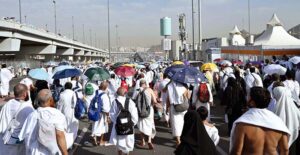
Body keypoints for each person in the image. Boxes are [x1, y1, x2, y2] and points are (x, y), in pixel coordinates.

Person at [230, 87, 290, 155]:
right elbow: (285, 149)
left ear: (252, 102)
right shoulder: (278, 123)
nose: (247, 97)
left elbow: (237, 152)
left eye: (248, 96)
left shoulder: (242, 124)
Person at [19, 89, 73, 155]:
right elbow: (59, 135)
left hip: (34, 151)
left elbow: (26, 135)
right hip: (52, 151)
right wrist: (65, 152)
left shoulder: (32, 115)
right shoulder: (57, 114)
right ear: (51, 99)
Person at [0, 84, 34, 155]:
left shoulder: (7, 104)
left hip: (5, 138)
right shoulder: (28, 108)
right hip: (18, 144)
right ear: (25, 94)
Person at [109, 87, 138, 155]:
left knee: (119, 142)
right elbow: (134, 113)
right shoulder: (130, 101)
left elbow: (112, 114)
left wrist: (116, 122)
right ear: (125, 93)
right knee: (128, 142)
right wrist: (132, 123)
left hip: (118, 126)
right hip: (129, 126)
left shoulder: (114, 102)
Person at [272, 86, 300, 155]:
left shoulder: (275, 110)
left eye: (275, 95)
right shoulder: (296, 108)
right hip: (294, 140)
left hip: (281, 143)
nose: (274, 97)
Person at [167, 81, 189, 146]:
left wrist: (167, 108)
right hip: (184, 106)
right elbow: (188, 97)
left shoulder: (170, 86)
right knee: (183, 123)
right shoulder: (184, 86)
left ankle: (178, 141)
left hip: (174, 107)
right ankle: (183, 138)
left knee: (176, 124)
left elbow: (168, 99)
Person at [136, 80, 157, 149]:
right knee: (150, 124)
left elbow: (134, 99)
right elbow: (154, 101)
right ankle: (149, 140)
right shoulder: (149, 90)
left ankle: (142, 141)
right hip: (149, 110)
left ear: (140, 84)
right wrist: (152, 105)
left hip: (140, 110)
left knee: (141, 125)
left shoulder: (137, 90)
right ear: (145, 84)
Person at [91, 81, 111, 146]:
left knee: (95, 125)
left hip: (94, 111)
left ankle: (94, 137)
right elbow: (106, 108)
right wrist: (108, 116)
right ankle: (101, 141)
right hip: (102, 114)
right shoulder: (104, 95)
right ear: (105, 87)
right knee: (103, 127)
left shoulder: (95, 92)